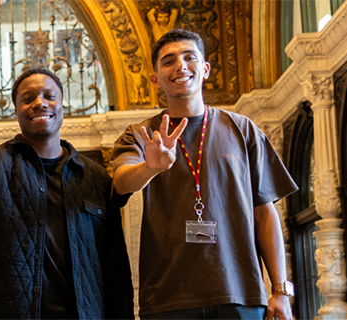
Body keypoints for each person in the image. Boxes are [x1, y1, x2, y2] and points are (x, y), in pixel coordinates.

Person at [110, 28, 298, 320]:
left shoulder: (243, 129)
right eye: (168, 61)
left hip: (241, 294)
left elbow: (265, 213)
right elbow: (121, 183)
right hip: (167, 300)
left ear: (206, 69)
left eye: (189, 57)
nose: (180, 66)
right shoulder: (142, 135)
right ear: (155, 79)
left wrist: (280, 290)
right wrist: (150, 167)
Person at [0, 66, 134, 320]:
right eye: (27, 99)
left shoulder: (94, 177)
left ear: (63, 106)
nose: (40, 103)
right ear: (16, 111)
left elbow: (115, 268)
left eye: (49, 96)